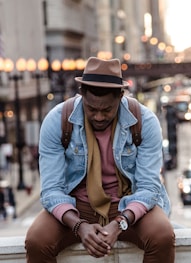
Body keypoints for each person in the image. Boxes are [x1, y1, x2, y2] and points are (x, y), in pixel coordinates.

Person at [25, 57, 175, 263]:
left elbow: (149, 188)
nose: (98, 117)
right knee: (37, 241)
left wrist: (120, 223)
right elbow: (51, 190)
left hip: (128, 205)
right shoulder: (57, 120)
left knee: (162, 235)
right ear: (82, 94)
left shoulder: (145, 121)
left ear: (120, 96)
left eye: (107, 110)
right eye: (91, 109)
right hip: (76, 207)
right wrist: (79, 226)